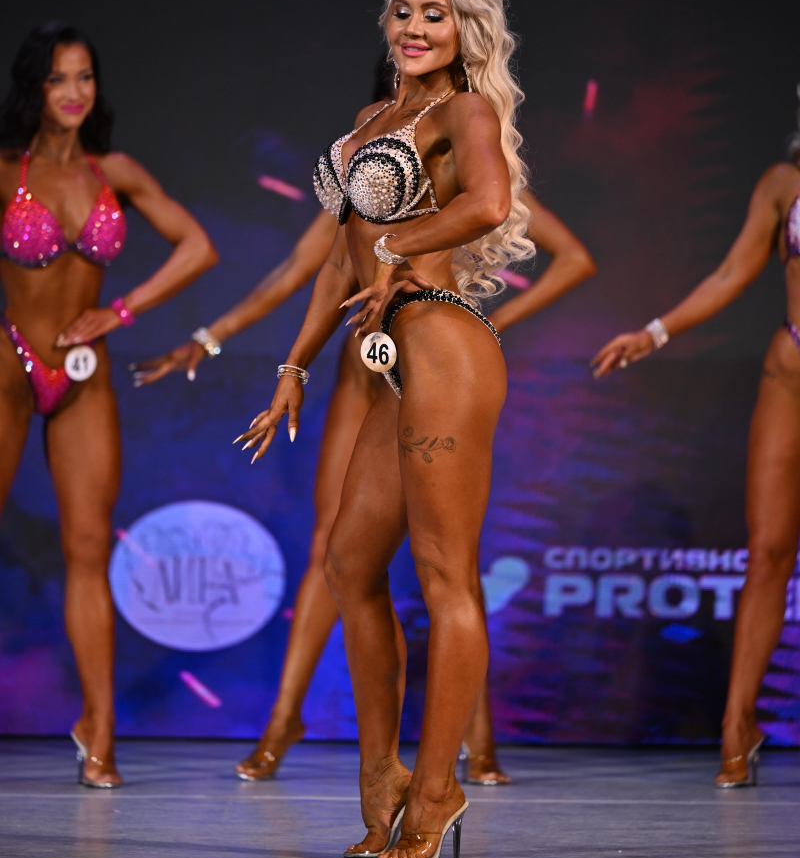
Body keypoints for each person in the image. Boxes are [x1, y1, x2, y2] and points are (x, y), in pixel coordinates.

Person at [236, 0, 540, 858]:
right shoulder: (374, 120)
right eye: (404, 10)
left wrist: (399, 250)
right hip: (389, 359)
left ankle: (441, 790)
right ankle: (384, 779)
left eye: (434, 14)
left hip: (444, 346)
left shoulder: (463, 111)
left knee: (446, 579)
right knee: (347, 563)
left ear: (465, 29)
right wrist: (294, 364)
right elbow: (340, 260)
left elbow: (488, 201)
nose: (414, 27)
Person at [133, 190, 594, 786]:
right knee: (336, 552)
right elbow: (306, 268)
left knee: (451, 559)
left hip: (431, 361)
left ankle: (477, 740)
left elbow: (573, 258)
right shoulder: (366, 172)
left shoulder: (461, 167)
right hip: (363, 375)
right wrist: (211, 337)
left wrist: (487, 321)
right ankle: (283, 721)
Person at [0, 22, 217, 787]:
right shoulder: (6, 171)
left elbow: (198, 246)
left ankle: (99, 731)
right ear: (34, 86)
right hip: (11, 362)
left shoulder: (113, 171)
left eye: (85, 77)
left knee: (91, 547)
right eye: (58, 78)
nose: (73, 92)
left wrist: (119, 313)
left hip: (84, 374)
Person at [591, 138, 800, 788]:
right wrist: (654, 334)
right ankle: (737, 724)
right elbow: (733, 272)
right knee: (767, 551)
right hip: (791, 368)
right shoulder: (783, 181)